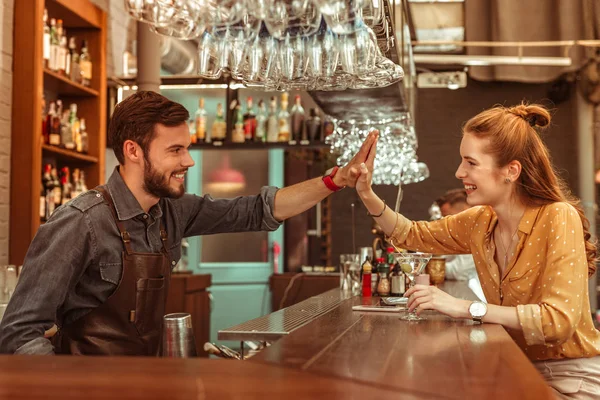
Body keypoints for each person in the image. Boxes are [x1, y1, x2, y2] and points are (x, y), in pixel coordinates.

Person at [0, 91, 378, 356]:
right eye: (175, 150)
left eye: (188, 148)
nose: (189, 161)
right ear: (133, 150)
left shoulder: (172, 211)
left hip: (151, 382)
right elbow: (19, 332)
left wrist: (335, 180)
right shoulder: (79, 223)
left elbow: (258, 209)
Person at [356, 103, 600, 398]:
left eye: (471, 163)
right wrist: (366, 193)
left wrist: (466, 308)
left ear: (511, 170)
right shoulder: (481, 221)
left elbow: (557, 322)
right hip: (516, 368)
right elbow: (410, 235)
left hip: (571, 380)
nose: (460, 172)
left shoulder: (557, 217)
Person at [435, 189, 479, 282]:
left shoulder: (477, 234)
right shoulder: (460, 234)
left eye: (448, 217)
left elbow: (458, 272)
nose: (444, 222)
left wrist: (424, 264)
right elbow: (444, 259)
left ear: (465, 211)